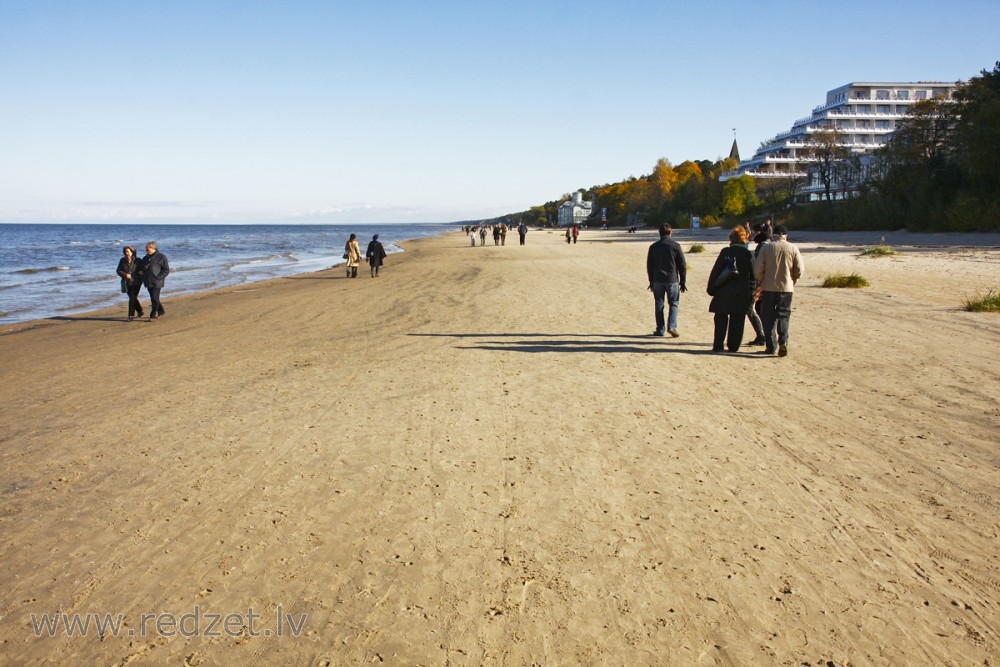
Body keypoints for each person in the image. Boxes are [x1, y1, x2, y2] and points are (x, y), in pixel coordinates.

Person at [753, 224, 804, 357]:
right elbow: (800, 269)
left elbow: (757, 269)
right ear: (785, 235)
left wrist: (760, 280)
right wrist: (793, 280)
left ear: (774, 234)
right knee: (783, 315)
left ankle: (771, 346)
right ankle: (783, 342)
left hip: (768, 287)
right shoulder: (793, 248)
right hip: (786, 288)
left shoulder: (766, 247)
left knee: (768, 316)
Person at [706, 228, 756, 352]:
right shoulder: (748, 254)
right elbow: (753, 277)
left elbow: (716, 271)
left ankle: (718, 345)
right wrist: (752, 294)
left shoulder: (725, 252)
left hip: (723, 291)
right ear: (744, 238)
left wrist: (711, 288)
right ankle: (733, 346)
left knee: (720, 318)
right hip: (741, 292)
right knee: (738, 319)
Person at [645, 223, 687, 337]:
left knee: (659, 304)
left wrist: (651, 281)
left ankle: (660, 329)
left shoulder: (653, 247)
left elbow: (649, 265)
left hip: (657, 279)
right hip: (672, 279)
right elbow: (682, 265)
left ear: (659, 233)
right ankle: (672, 326)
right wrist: (683, 281)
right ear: (670, 232)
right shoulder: (676, 246)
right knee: (673, 303)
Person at [140, 241, 169, 320]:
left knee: (154, 298)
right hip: (148, 281)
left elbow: (166, 270)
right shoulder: (145, 258)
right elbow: (142, 268)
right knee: (154, 298)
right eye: (146, 249)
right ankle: (161, 311)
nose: (146, 250)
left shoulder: (161, 257)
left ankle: (152, 315)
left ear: (153, 248)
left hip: (157, 281)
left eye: (148, 249)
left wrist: (159, 277)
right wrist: (142, 272)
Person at [116, 245, 144, 321]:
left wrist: (141, 273)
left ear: (132, 252)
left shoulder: (138, 260)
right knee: (133, 298)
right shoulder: (122, 260)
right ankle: (140, 311)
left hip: (137, 282)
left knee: (132, 298)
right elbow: (118, 270)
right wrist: (125, 275)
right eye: (125, 252)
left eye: (128, 251)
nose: (126, 253)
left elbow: (142, 269)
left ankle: (131, 315)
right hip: (126, 282)